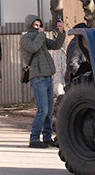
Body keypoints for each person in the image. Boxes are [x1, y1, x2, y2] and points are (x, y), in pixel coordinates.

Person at [22, 14, 64, 148]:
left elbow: (56, 45)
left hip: (48, 77)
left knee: (49, 110)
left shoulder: (42, 38)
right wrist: (41, 34)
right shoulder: (25, 39)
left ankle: (47, 137)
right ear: (29, 25)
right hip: (37, 77)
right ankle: (34, 138)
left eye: (39, 25)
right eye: (35, 25)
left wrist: (61, 31)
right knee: (43, 110)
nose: (39, 27)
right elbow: (33, 47)